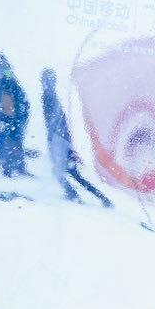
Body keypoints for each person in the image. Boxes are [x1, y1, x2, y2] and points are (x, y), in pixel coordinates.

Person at [40, 68, 112, 208]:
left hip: (57, 140)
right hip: (62, 140)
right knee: (73, 174)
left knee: (60, 172)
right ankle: (102, 198)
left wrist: (56, 141)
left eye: (45, 79)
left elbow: (53, 121)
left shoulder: (48, 96)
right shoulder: (51, 95)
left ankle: (73, 194)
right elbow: (60, 121)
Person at [0, 52, 32, 194]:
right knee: (3, 142)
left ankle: (18, 167)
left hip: (13, 118)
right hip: (5, 118)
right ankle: (7, 168)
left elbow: (22, 100)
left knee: (15, 141)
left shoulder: (10, 85)